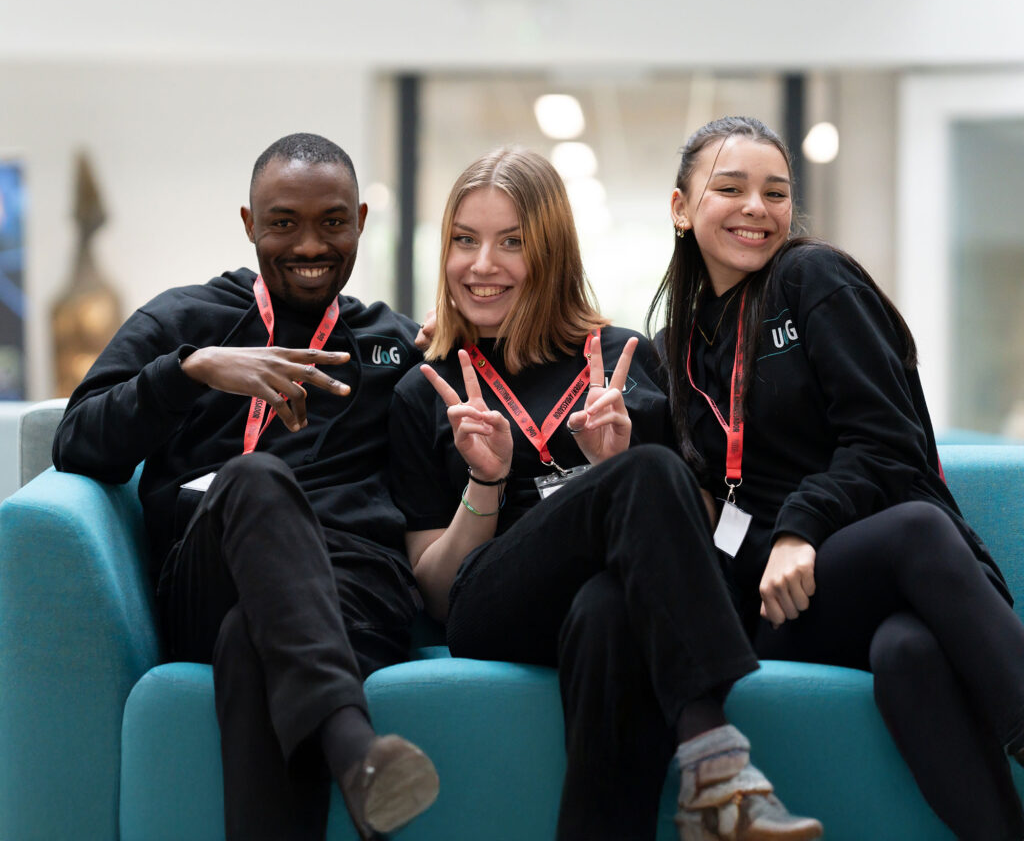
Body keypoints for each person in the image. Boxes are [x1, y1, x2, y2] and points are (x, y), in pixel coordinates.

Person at [389, 145, 822, 841]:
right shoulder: (426, 387)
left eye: (511, 243)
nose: (481, 265)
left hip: (607, 595)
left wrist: (612, 463)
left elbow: (700, 527)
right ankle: (717, 765)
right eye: (464, 242)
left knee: (610, 606)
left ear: (553, 253)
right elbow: (438, 597)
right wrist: (485, 480)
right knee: (647, 476)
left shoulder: (622, 359)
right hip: (492, 606)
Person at [52, 132, 439, 841]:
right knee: (258, 476)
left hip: (353, 592)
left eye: (332, 222)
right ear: (248, 223)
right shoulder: (185, 321)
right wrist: (190, 370)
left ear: (359, 220)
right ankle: (357, 749)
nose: (309, 244)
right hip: (209, 578)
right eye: (283, 222)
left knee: (249, 641)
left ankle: (357, 764)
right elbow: (78, 442)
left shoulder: (395, 343)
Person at [649, 114, 1024, 841]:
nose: (758, 208)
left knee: (907, 650)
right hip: (776, 606)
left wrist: (801, 528)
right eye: (731, 188)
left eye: (776, 192)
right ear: (681, 208)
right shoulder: (676, 347)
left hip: (893, 570)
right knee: (913, 549)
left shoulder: (809, 277)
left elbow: (888, 444)